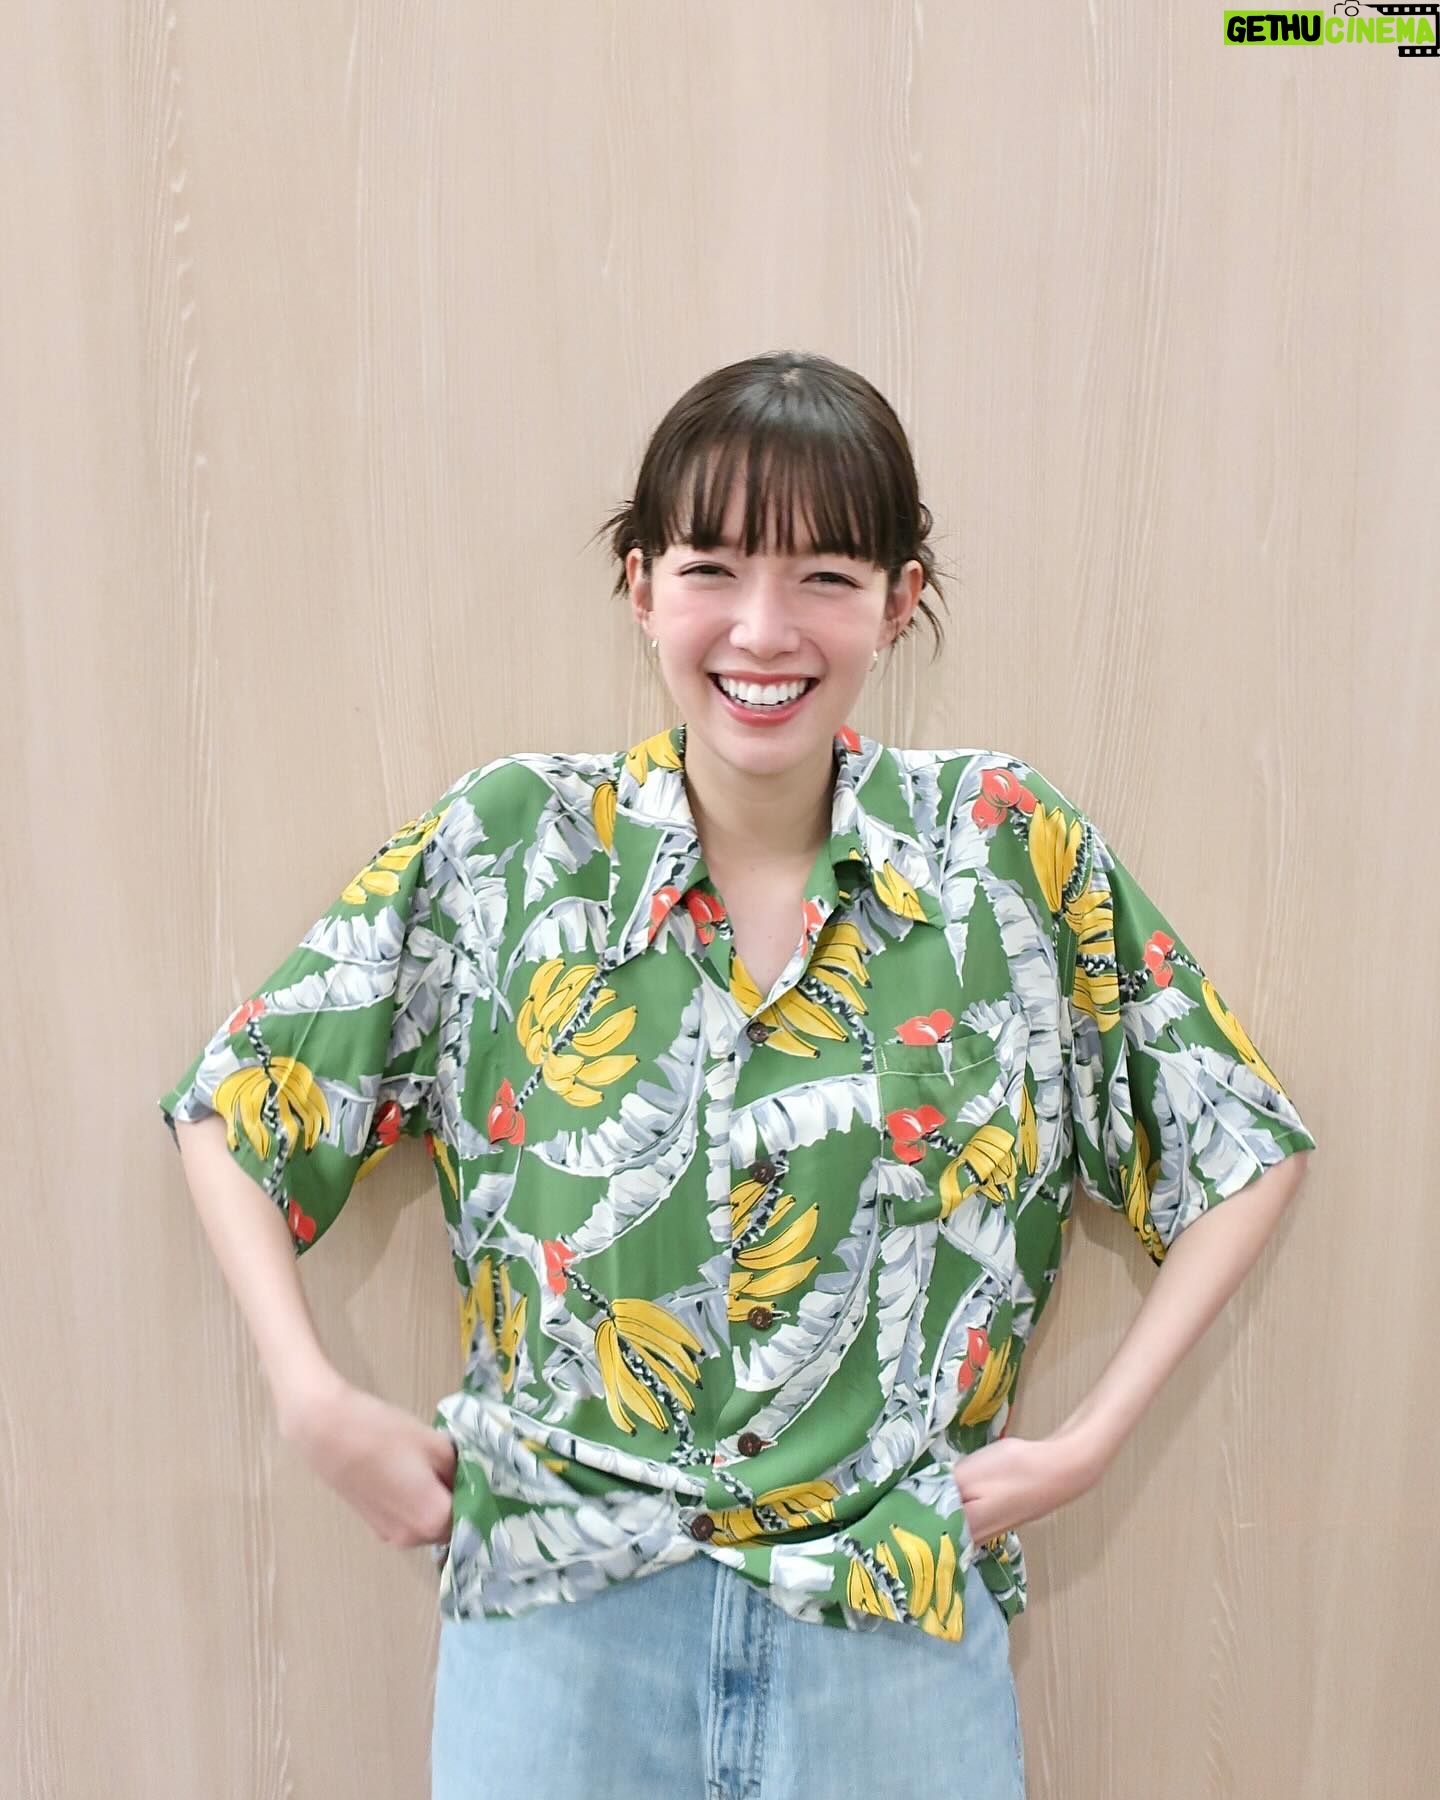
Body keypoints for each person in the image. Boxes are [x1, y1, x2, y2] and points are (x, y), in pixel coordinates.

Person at [158, 350, 1317, 1799]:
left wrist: (1082, 1450)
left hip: (890, 1632)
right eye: (712, 567)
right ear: (641, 585)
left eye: (827, 575)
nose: (764, 631)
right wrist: (308, 1395)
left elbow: (1239, 1143)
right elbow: (240, 1108)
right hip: (561, 1633)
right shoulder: (510, 847)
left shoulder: (1002, 850)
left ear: (899, 599)